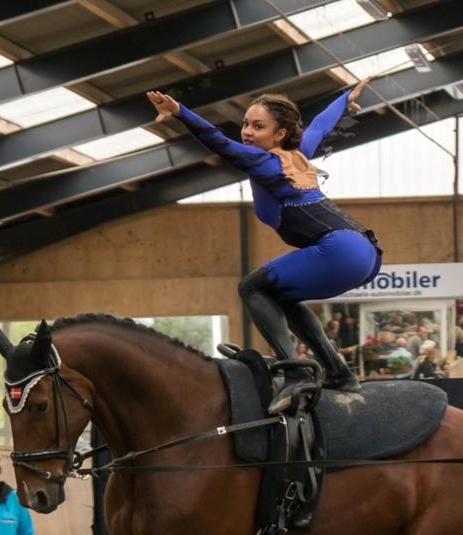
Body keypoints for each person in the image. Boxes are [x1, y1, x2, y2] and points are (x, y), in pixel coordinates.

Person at [146, 80, 381, 413]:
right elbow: (319, 125)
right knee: (281, 295)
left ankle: (295, 372)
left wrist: (179, 111)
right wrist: (344, 98)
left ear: (280, 134)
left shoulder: (263, 163)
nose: (246, 132)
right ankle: (338, 372)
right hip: (366, 251)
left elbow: (217, 141)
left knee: (251, 287)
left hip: (341, 249)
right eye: (245, 124)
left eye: (258, 126)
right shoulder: (298, 156)